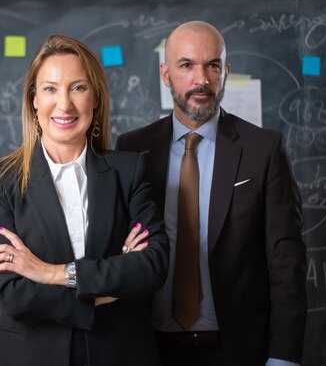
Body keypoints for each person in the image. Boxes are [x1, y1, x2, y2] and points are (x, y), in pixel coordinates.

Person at [116, 20, 306, 366]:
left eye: (212, 65)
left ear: (225, 71)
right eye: (186, 65)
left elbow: (287, 263)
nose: (200, 79)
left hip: (237, 349)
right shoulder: (131, 150)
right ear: (165, 73)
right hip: (149, 349)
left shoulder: (264, 149)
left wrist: (283, 358)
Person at [0, 34, 169, 366]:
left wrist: (50, 273)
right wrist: (106, 290)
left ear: (95, 98)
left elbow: (151, 267)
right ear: (34, 100)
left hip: (120, 354)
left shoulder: (129, 171)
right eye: (50, 89)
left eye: (78, 88)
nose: (64, 104)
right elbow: (12, 295)